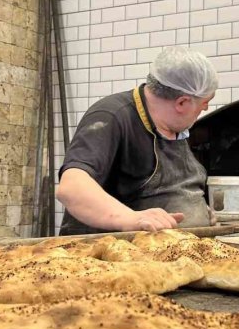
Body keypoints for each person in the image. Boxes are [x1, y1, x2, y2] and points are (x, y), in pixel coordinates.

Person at [56, 46, 218, 235]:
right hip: (110, 257)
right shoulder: (112, 116)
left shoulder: (175, 127)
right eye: (204, 104)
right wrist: (131, 218)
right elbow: (71, 188)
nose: (205, 110)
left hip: (170, 255)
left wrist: (197, 213)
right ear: (181, 102)